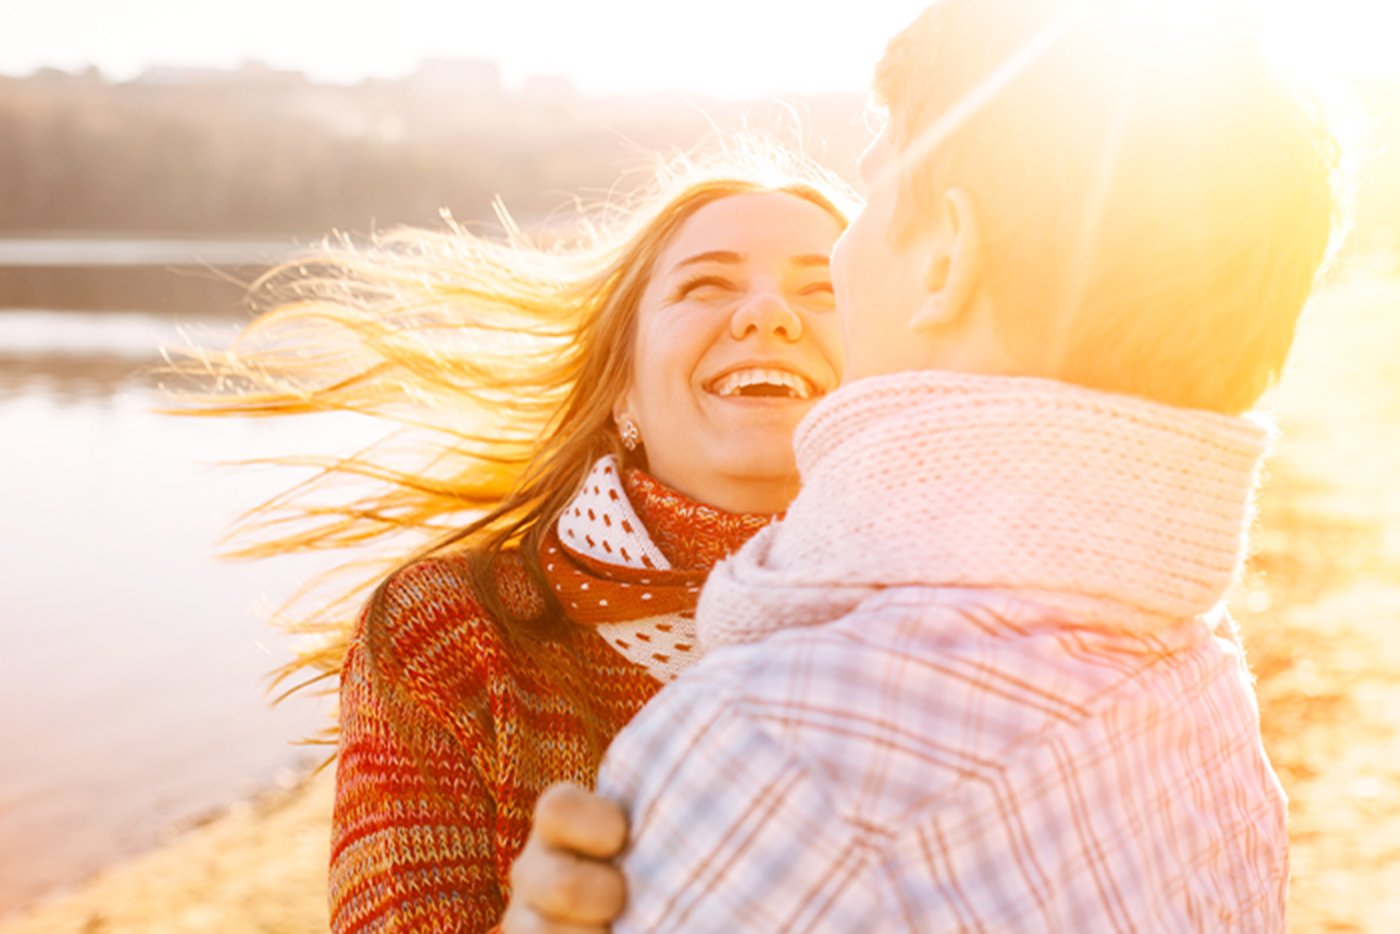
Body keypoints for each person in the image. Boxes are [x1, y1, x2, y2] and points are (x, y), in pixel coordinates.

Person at [587, 0, 1343, 929]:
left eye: (866, 201)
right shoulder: (1202, 678)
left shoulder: (777, 754)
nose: (786, 305)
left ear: (945, 256)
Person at [179, 142, 854, 931]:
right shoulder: (448, 632)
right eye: (706, 284)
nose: (769, 313)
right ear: (621, 384)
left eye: (826, 288)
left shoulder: (967, 618)